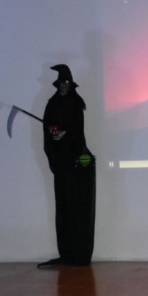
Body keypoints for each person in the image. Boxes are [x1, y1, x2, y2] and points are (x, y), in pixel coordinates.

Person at [38, 64, 95, 268]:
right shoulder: (52, 104)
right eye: (62, 82)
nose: (64, 85)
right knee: (62, 208)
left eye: (67, 82)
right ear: (58, 84)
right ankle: (66, 253)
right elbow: (48, 130)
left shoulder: (76, 104)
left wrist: (66, 134)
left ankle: (79, 253)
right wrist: (53, 134)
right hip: (60, 164)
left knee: (75, 207)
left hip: (74, 165)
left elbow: (78, 131)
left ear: (71, 85)